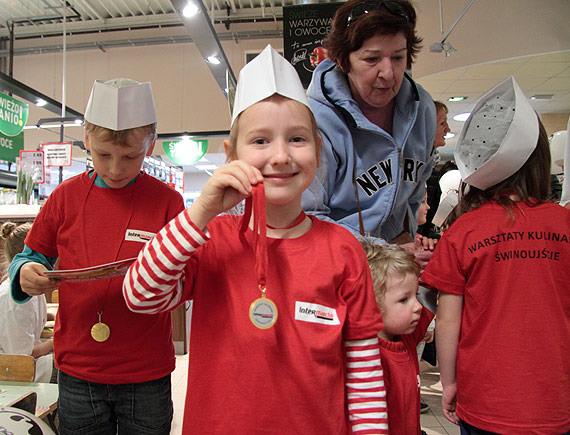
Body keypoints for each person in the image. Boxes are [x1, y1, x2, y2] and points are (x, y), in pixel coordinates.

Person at [123, 45, 388, 434]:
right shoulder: (211, 238)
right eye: (260, 141)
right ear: (232, 155)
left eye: (297, 139)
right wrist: (201, 212)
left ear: (318, 148)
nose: (280, 156)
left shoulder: (342, 249)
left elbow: (363, 368)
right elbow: (140, 295)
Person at [9, 78, 185, 434]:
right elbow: (29, 257)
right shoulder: (64, 197)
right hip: (78, 369)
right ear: (87, 140)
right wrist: (26, 271)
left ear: (150, 145)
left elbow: (187, 272)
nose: (116, 169)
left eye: (130, 157)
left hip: (146, 371)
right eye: (103, 155)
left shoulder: (168, 202)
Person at [422, 77, 570, 434]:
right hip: (555, 397)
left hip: (484, 398)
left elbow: (448, 320)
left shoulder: (463, 231)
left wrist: (450, 382)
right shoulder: (565, 223)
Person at [302, 0, 436, 267]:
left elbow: (413, 195)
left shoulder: (423, 109)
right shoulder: (314, 120)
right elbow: (309, 217)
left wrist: (407, 245)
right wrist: (384, 252)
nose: (388, 73)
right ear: (343, 60)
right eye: (372, 59)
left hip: (396, 265)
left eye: (398, 57)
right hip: (339, 266)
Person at [361, 241, 435, 434]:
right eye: (404, 299)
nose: (418, 306)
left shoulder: (406, 336)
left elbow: (437, 287)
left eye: (416, 295)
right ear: (370, 303)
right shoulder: (365, 358)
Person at [0, 222, 53, 383]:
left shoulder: (33, 287)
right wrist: (55, 342)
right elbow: (21, 356)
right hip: (20, 373)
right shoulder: (14, 299)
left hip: (31, 363)